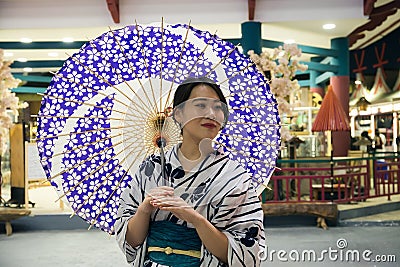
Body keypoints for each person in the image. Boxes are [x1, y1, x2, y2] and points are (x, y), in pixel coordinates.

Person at [115, 77, 265, 267]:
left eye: (218, 107)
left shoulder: (235, 177)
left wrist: (195, 219)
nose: (211, 114)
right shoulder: (150, 169)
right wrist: (145, 209)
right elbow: (131, 241)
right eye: (201, 105)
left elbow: (247, 251)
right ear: (178, 114)